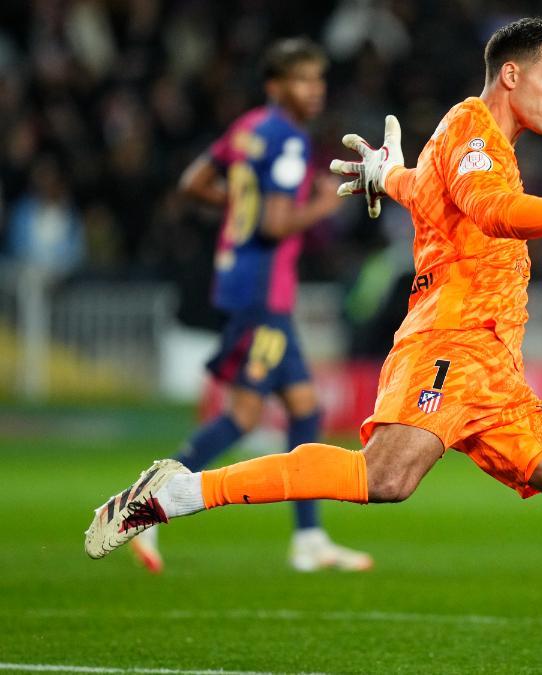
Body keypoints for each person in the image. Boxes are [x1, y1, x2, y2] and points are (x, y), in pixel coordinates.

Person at [87, 18, 542, 674]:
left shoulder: (473, 142)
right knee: (387, 475)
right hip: (449, 340)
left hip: (495, 374)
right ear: (512, 73)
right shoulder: (473, 129)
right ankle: (178, 491)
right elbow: (492, 210)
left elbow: (434, 190)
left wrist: (387, 175)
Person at [127, 37, 373, 574]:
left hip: (246, 287)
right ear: (275, 86)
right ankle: (144, 506)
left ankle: (309, 539)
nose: (315, 90)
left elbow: (193, 184)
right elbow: (275, 225)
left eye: (319, 79)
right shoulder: (287, 140)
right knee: (242, 415)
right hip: (264, 295)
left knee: (305, 407)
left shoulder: (247, 130)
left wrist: (238, 204)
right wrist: (325, 204)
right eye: (302, 80)